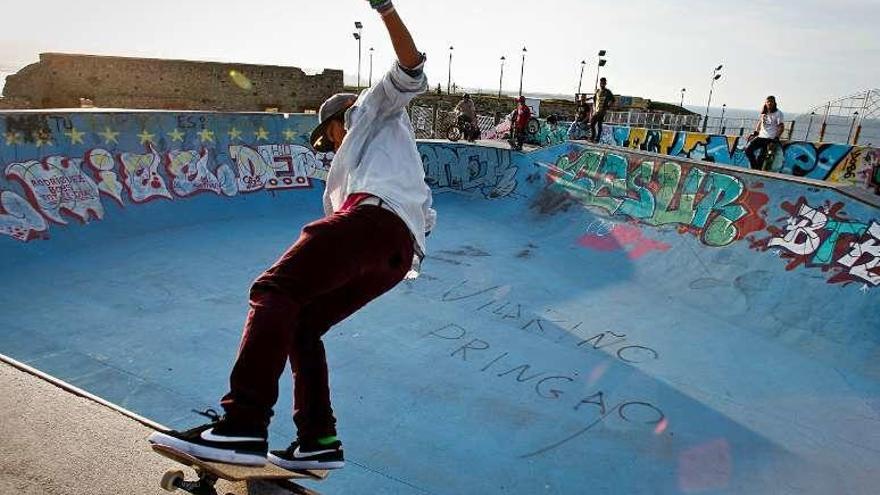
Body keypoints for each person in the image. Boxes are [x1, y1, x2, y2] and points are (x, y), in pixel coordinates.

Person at [148, 0, 436, 471]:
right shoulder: (372, 164)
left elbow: (410, 65)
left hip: (372, 224)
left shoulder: (373, 108)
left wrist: (385, 10)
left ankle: (242, 424)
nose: (331, 147)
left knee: (273, 289)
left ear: (343, 118)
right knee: (303, 326)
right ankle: (318, 438)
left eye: (329, 137)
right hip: (398, 254)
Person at [745, 96, 785, 170]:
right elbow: (760, 123)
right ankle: (755, 169)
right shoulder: (764, 113)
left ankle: (757, 171)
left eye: (771, 102)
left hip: (770, 138)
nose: (769, 103)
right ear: (765, 103)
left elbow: (781, 127)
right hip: (761, 137)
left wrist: (776, 138)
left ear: (774, 103)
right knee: (748, 150)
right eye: (768, 102)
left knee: (761, 157)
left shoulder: (778, 113)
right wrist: (755, 133)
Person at [589, 77, 615, 142]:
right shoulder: (597, 91)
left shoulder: (607, 92)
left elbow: (613, 100)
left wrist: (608, 106)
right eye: (601, 82)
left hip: (602, 111)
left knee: (599, 124)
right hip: (596, 111)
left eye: (604, 82)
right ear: (600, 83)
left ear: (605, 83)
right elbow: (594, 99)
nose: (602, 84)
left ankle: (596, 138)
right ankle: (593, 137)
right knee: (592, 124)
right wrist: (594, 107)